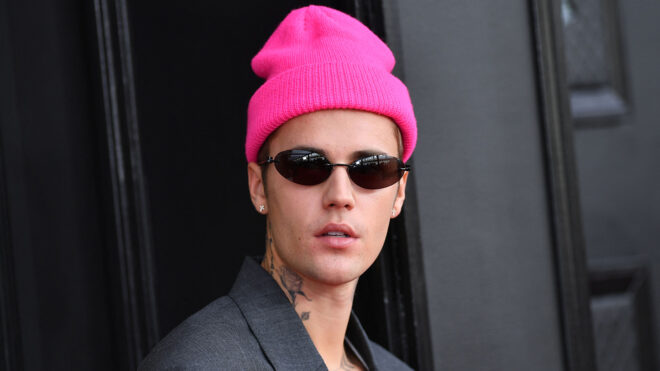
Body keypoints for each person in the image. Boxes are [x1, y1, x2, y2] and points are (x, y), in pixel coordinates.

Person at [139, 5, 417, 370]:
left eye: (372, 170)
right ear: (258, 187)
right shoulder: (198, 364)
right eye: (305, 166)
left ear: (398, 192)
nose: (340, 196)